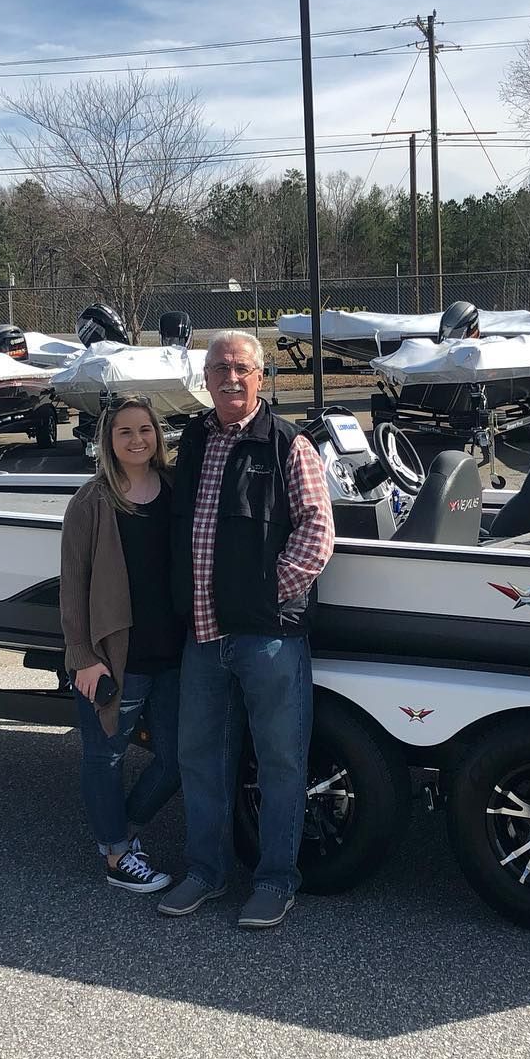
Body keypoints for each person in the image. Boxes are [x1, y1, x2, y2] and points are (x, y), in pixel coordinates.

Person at [158, 329, 334, 929]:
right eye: (218, 369)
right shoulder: (194, 438)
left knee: (282, 761)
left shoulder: (288, 445)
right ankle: (205, 873)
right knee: (200, 758)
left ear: (261, 377)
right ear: (204, 380)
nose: (229, 378)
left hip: (268, 638)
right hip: (203, 635)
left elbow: (317, 532)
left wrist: (264, 595)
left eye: (241, 368)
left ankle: (276, 880)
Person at [60, 395, 185, 893]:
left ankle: (120, 831)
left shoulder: (177, 489)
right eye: (125, 432)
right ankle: (115, 855)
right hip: (116, 657)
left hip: (174, 655)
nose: (137, 440)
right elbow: (73, 586)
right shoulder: (92, 501)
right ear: (108, 442)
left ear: (157, 435)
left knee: (177, 758)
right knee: (104, 755)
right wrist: (82, 658)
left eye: (145, 430)